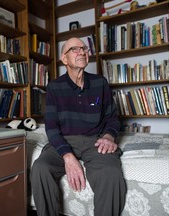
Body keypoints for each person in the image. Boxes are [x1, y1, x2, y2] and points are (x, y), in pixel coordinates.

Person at [30, 37, 126, 216]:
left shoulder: (100, 83)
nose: (82, 51)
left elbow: (113, 118)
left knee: (111, 173)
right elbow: (51, 128)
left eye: (84, 48)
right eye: (75, 49)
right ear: (64, 59)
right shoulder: (54, 87)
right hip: (64, 141)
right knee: (40, 168)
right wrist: (68, 156)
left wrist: (108, 136)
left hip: (95, 141)